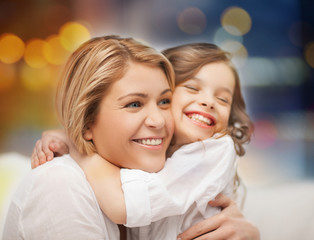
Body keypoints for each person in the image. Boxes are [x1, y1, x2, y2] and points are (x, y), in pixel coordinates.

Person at [31, 42, 260, 239]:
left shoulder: (212, 151)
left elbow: (122, 206)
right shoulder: (63, 182)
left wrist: (76, 144)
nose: (209, 102)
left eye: (222, 99)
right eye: (192, 88)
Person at [2, 35, 175, 239]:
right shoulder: (60, 183)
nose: (159, 120)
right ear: (86, 121)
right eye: (134, 104)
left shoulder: (149, 183)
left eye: (165, 101)